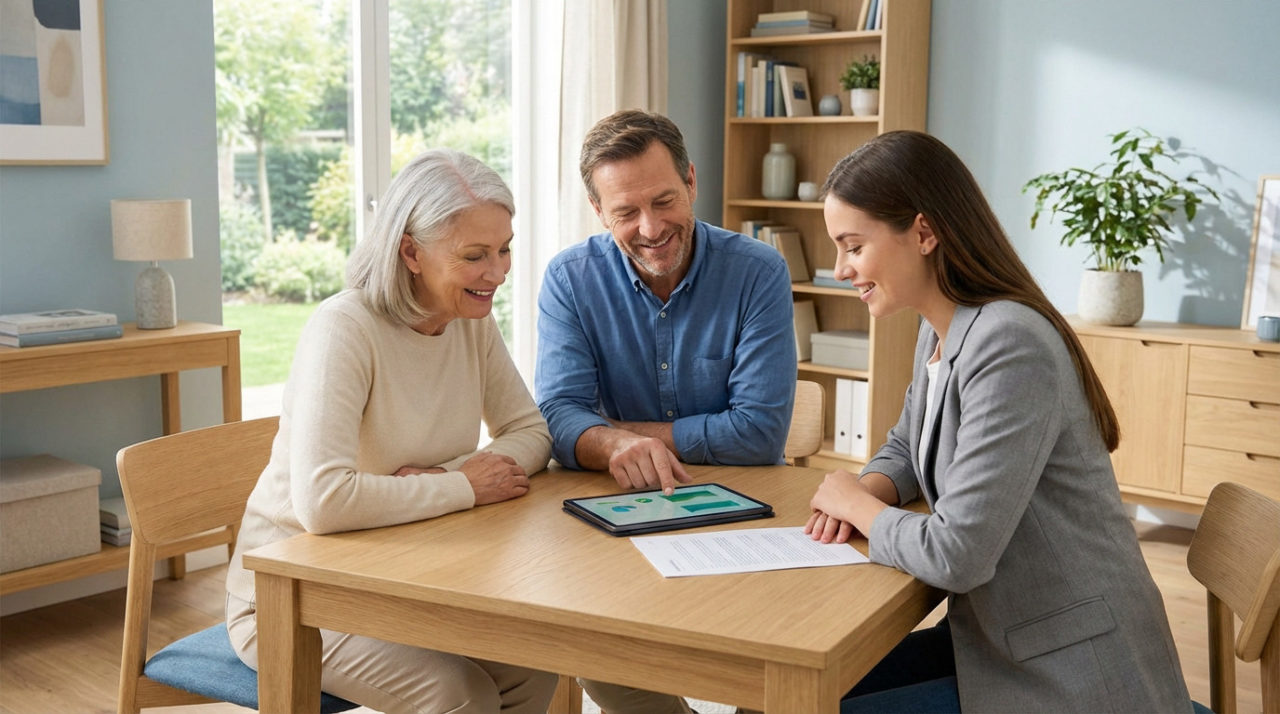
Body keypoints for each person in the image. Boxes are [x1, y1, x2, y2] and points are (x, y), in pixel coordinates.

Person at [804, 130, 1193, 713]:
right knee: (786, 690)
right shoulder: (939, 326)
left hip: (1072, 670)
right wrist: (863, 489)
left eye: (853, 246)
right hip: (999, 637)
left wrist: (857, 507)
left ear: (924, 233)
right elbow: (911, 443)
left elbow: (957, 555)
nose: (839, 269)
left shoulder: (1010, 342)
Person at [224, 149, 559, 713]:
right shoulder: (344, 329)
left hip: (404, 570)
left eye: (504, 250)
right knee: (460, 694)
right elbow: (324, 503)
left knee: (534, 660)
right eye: (475, 255)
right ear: (411, 251)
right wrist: (465, 486)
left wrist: (451, 476)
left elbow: (531, 432)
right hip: (293, 596)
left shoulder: (467, 321)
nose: (498, 273)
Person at [534, 109, 796, 713]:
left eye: (664, 200)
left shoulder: (758, 271)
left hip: (748, 516)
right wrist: (616, 446)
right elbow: (557, 418)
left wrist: (612, 434)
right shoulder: (570, 280)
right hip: (620, 512)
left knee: (777, 663)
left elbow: (757, 434)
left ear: (692, 182)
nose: (650, 227)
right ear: (599, 213)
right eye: (626, 212)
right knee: (594, 644)